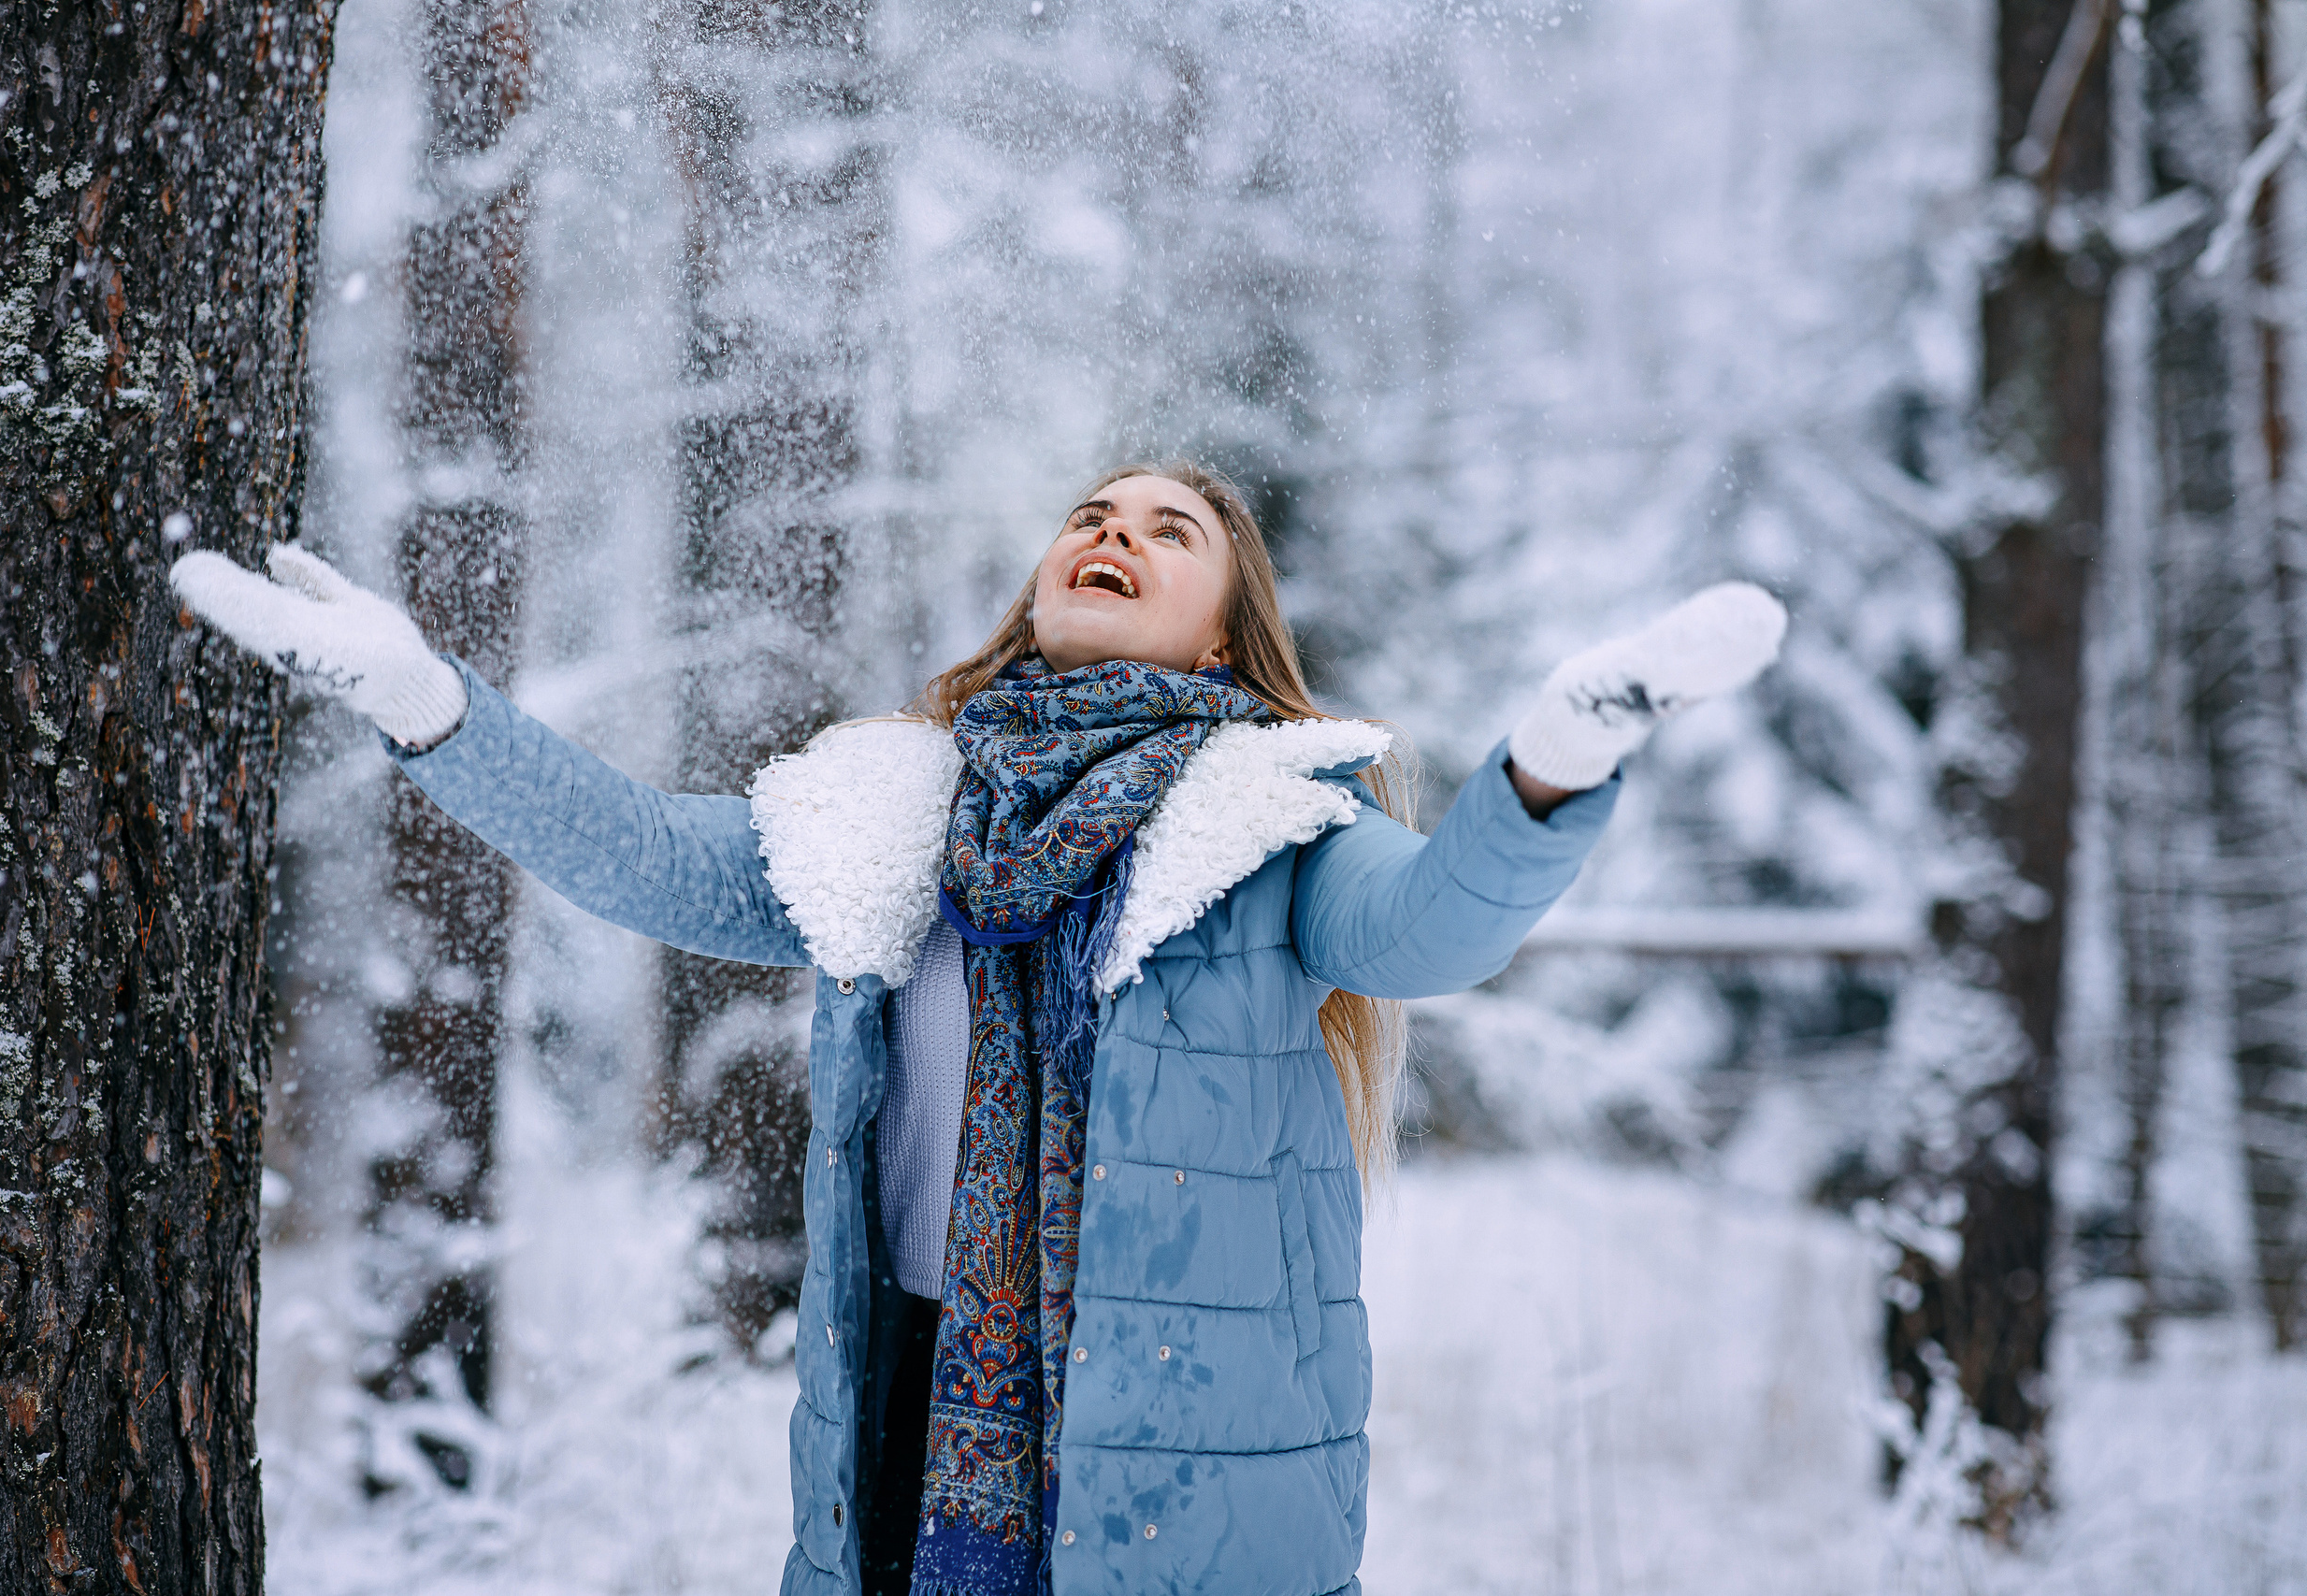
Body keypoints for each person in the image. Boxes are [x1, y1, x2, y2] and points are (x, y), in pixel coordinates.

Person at [172, 460, 1785, 1596]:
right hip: (919, 1394)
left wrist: (1554, 767)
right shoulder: (895, 811)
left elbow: (1438, 927)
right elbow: (645, 855)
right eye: (1091, 516)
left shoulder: (1269, 823)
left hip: (1184, 1428)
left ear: (1222, 633)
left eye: (1169, 530)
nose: (1112, 532)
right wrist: (427, 703)